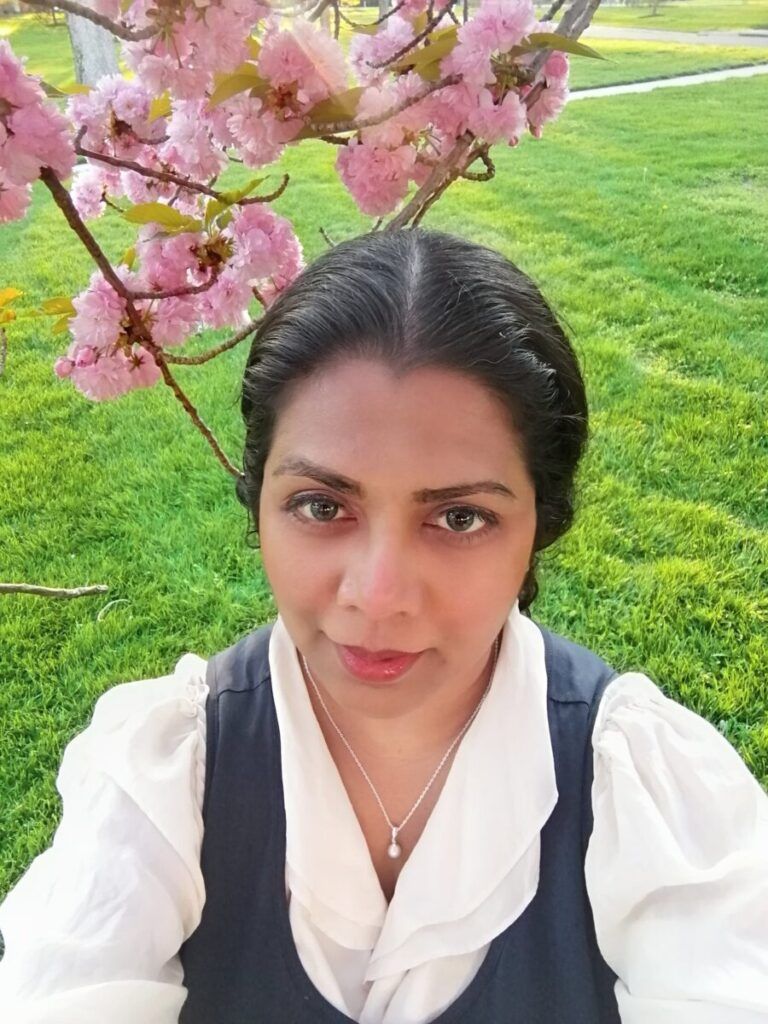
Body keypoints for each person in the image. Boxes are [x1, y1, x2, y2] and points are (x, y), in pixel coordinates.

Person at [0, 227, 766, 1024]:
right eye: (323, 506)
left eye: (460, 517)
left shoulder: (643, 792)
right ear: (260, 504)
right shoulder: (163, 781)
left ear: (542, 523)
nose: (379, 596)